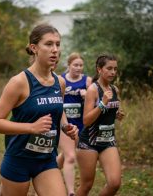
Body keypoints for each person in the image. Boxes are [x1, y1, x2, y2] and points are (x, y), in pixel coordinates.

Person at [0, 24, 78, 196]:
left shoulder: (60, 82)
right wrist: (31, 127)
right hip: (19, 159)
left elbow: (57, 110)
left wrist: (66, 126)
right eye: (49, 44)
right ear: (34, 48)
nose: (55, 50)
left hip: (46, 159)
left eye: (58, 44)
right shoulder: (19, 82)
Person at [76, 54, 125, 196]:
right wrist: (103, 103)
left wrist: (117, 114)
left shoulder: (115, 89)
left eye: (115, 69)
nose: (113, 72)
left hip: (108, 140)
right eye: (109, 68)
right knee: (86, 185)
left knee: (115, 183)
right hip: (89, 142)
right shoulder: (93, 89)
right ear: (99, 69)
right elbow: (86, 120)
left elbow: (110, 111)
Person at [56, 52, 92, 196]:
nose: (78, 68)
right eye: (75, 65)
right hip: (64, 124)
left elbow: (96, 101)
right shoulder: (61, 79)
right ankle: (71, 192)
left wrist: (87, 95)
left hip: (80, 126)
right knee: (71, 156)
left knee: (65, 156)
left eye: (81, 65)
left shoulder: (87, 81)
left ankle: (47, 170)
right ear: (69, 65)